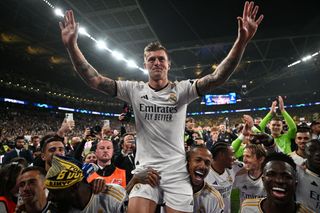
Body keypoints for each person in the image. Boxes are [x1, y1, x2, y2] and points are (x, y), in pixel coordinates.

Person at [59, 1, 263, 212]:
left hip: (177, 173)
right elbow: (95, 80)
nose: (157, 62)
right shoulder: (133, 89)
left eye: (161, 59)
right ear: (145, 64)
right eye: (152, 59)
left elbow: (217, 77)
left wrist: (242, 41)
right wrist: (72, 46)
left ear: (168, 64)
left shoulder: (183, 89)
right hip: (146, 171)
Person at [127, 145, 225, 213]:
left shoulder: (214, 198)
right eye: (198, 160)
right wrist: (135, 180)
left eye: (207, 163)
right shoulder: (161, 183)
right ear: (187, 162)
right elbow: (120, 203)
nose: (203, 166)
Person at [45, 155, 127, 212]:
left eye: (55, 192)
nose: (49, 197)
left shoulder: (113, 198)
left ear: (74, 188)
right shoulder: (59, 208)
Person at [241, 152, 312, 213]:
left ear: (295, 183)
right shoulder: (247, 208)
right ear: (263, 180)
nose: (279, 180)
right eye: (271, 174)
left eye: (286, 176)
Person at [205, 142, 244, 213]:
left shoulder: (234, 167)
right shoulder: (204, 173)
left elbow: (252, 166)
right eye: (232, 154)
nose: (234, 157)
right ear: (221, 155)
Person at [296, 139, 320, 212]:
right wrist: (270, 145)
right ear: (305, 153)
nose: (318, 153)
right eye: (312, 150)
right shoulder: (296, 173)